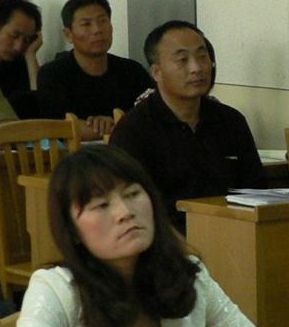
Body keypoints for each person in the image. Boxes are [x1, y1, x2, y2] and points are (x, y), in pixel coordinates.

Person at [0, 144, 288, 327]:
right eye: (101, 205)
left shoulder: (187, 276)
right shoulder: (56, 289)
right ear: (72, 231)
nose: (125, 212)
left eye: (132, 194)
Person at [110, 20, 264, 228]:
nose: (196, 68)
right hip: (167, 239)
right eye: (182, 60)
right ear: (156, 72)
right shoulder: (133, 130)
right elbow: (131, 208)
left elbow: (256, 190)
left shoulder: (231, 121)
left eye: (202, 57)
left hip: (234, 233)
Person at [36, 0, 154, 138]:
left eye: (102, 21)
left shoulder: (132, 70)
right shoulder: (52, 74)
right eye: (86, 24)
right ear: (68, 34)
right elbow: (59, 126)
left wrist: (111, 125)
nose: (97, 30)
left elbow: (151, 117)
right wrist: (114, 127)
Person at [0, 0, 43, 117]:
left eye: (26, 40)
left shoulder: (21, 62)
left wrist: (31, 55)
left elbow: (39, 106)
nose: (19, 47)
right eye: (14, 36)